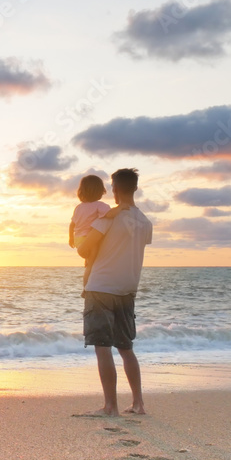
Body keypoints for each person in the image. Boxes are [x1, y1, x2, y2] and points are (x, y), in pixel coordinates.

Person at [76, 168, 153, 417]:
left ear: (115, 189)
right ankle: (138, 404)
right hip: (127, 289)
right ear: (136, 188)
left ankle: (110, 407)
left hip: (100, 287)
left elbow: (84, 250)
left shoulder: (108, 218)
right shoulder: (145, 222)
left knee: (102, 346)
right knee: (126, 347)